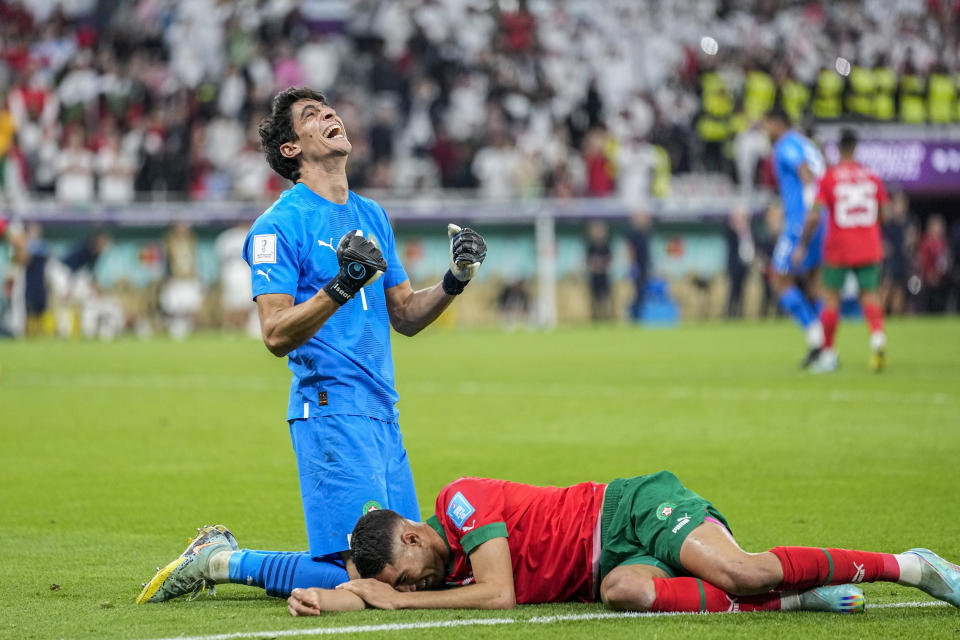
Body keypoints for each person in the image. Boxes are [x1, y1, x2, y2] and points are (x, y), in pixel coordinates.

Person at [136, 87, 487, 604]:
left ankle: (223, 558)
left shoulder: (372, 215)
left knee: (428, 567)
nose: (330, 114)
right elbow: (275, 332)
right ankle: (219, 559)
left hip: (383, 413)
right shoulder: (279, 226)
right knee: (367, 581)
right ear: (290, 150)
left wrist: (455, 278)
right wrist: (342, 286)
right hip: (330, 411)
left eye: (329, 108)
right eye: (311, 115)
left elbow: (406, 315)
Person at [287, 472, 960, 615]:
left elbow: (501, 595)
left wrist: (394, 605)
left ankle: (910, 565)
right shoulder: (428, 563)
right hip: (615, 561)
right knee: (627, 593)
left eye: (406, 575)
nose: (414, 586)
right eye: (403, 589)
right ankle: (796, 604)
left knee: (743, 572)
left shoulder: (459, 504)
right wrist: (338, 595)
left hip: (628, 511)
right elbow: (368, 585)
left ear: (412, 535)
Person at [797, 129, 888, 373]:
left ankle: (828, 354)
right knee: (870, 296)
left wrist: (803, 243)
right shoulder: (872, 177)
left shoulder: (829, 178)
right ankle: (878, 339)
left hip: (838, 246)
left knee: (830, 300)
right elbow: (883, 214)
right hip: (868, 244)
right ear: (856, 148)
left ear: (839, 148)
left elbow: (815, 214)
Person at [763, 107, 826, 367]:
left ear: (778, 124)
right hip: (821, 218)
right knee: (815, 282)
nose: (765, 131)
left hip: (802, 222)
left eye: (767, 125)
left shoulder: (786, 146)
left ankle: (817, 338)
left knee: (779, 279)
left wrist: (808, 214)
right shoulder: (806, 143)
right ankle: (825, 347)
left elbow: (806, 176)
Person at [724, 207, 754, 318]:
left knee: (742, 290)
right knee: (733, 290)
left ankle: (740, 313)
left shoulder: (748, 231)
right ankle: (730, 313)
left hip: (744, 265)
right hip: (734, 266)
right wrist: (735, 223)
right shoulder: (732, 231)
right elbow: (727, 230)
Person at [585, 221, 612, 322]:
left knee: (605, 297)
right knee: (594, 298)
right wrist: (594, 267)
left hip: (603, 275)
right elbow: (588, 260)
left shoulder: (605, 246)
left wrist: (602, 266)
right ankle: (595, 317)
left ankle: (606, 317)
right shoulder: (590, 246)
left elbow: (609, 259)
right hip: (594, 275)